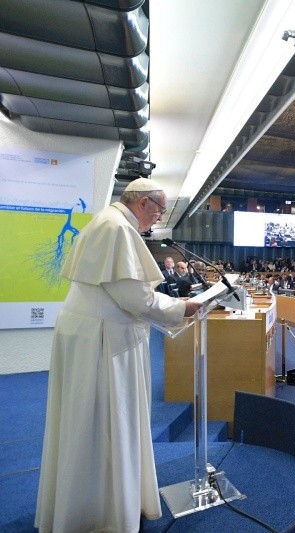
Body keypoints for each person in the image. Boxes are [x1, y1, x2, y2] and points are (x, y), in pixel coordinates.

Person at [35, 178, 202, 533]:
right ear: (143, 203)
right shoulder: (117, 229)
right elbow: (136, 299)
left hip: (93, 331)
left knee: (89, 420)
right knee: (102, 422)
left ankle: (101, 503)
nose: (158, 219)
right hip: (102, 339)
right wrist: (182, 307)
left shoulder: (107, 222)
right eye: (158, 210)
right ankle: (99, 513)